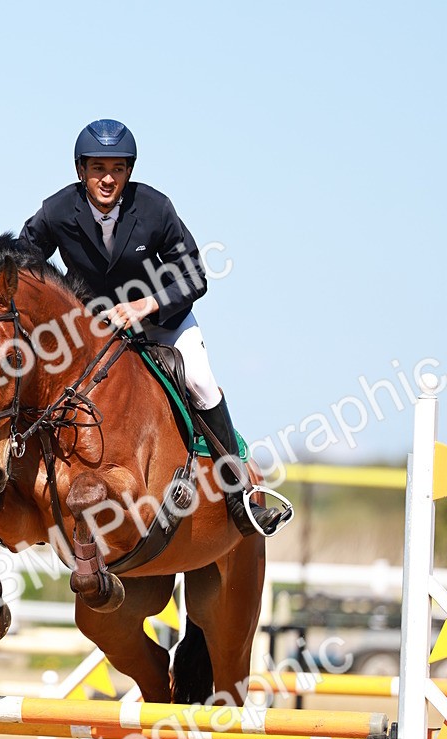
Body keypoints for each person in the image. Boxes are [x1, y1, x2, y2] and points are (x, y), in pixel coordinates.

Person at [19, 118, 286, 536]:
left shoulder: (155, 208)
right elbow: (21, 259)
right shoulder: (57, 210)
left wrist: (146, 305)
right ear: (80, 170)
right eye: (98, 168)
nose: (108, 179)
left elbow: (194, 273)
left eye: (118, 169)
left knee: (200, 382)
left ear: (129, 171)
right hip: (96, 334)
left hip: (163, 321)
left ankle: (238, 497)